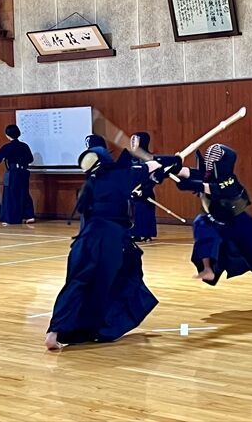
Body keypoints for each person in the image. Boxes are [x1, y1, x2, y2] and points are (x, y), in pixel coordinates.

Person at [44, 146, 180, 350]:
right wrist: (175, 158)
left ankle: (54, 332)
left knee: (76, 284)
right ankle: (103, 326)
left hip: (85, 241)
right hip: (111, 241)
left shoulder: (89, 185)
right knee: (122, 278)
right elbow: (156, 165)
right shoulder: (122, 175)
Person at [175, 143, 252, 285]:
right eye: (209, 157)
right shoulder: (207, 175)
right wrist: (173, 165)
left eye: (214, 159)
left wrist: (188, 184)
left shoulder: (229, 182)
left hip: (240, 224)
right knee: (202, 224)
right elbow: (186, 172)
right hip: (216, 222)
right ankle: (208, 269)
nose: (210, 161)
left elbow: (207, 187)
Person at [0, 124, 35, 225]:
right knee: (24, 193)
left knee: (11, 195)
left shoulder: (7, 147)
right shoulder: (24, 146)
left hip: (13, 172)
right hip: (24, 172)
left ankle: (11, 219)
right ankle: (29, 216)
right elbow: (30, 159)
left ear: (7, 135)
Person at [129, 132, 157, 242]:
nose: (132, 142)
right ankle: (134, 234)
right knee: (132, 212)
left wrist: (144, 189)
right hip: (131, 191)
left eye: (135, 140)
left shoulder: (149, 158)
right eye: (132, 140)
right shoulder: (129, 157)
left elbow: (154, 177)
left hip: (145, 191)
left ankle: (146, 234)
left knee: (144, 211)